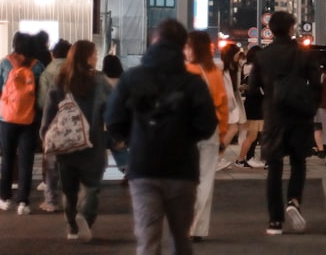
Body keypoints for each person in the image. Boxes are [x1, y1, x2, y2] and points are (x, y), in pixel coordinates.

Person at [104, 19, 217, 255]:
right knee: (181, 240)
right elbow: (207, 125)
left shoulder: (132, 78)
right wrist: (185, 136)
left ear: (154, 41)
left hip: (144, 167)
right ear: (182, 46)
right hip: (182, 169)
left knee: (147, 241)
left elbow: (113, 119)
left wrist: (133, 137)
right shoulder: (192, 82)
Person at [247, 11, 320, 236]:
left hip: (273, 117)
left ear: (272, 29)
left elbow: (251, 89)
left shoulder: (263, 56)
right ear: (291, 29)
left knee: (274, 168)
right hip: (299, 116)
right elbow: (317, 84)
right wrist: (309, 105)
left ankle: (275, 222)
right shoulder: (303, 53)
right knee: (299, 162)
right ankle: (294, 200)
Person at [40, 40, 112, 241]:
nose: (96, 57)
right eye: (94, 54)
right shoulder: (98, 81)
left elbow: (49, 110)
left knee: (69, 190)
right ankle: (84, 217)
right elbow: (113, 108)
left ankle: (72, 228)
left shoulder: (61, 79)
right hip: (93, 143)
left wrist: (45, 135)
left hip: (66, 144)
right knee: (92, 187)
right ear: (86, 57)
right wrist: (117, 135)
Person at [0, 31, 46, 215]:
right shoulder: (38, 66)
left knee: (8, 158)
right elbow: (42, 95)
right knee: (27, 160)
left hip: (7, 118)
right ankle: (23, 203)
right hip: (30, 118)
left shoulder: (5, 63)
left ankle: (4, 198)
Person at [184, 30, 228, 242]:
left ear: (190, 48)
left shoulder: (183, 71)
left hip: (185, 134)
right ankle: (198, 228)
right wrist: (222, 135)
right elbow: (222, 106)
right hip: (210, 133)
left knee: (185, 179)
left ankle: (183, 223)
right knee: (205, 180)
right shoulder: (215, 73)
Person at [37, 39, 71, 212]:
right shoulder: (77, 72)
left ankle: (51, 201)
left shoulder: (47, 72)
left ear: (53, 54)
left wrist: (44, 130)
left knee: (51, 162)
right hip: (75, 124)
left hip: (55, 123)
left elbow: (44, 102)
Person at [235, 45, 265, 168]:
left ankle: (249, 157)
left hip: (252, 104)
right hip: (256, 105)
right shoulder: (256, 70)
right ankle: (242, 159)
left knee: (254, 134)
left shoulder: (245, 67)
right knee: (253, 135)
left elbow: (244, 85)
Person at [218, 44, 246, 168]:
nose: (239, 56)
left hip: (234, 102)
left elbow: (234, 87)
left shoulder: (236, 68)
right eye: (237, 53)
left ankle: (219, 157)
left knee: (230, 130)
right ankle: (217, 158)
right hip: (225, 103)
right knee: (231, 129)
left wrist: (241, 87)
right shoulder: (220, 67)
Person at [101, 54, 129, 177]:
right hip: (118, 122)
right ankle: (128, 170)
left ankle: (98, 172)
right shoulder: (124, 81)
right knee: (119, 148)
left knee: (99, 149)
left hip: (102, 122)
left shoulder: (100, 80)